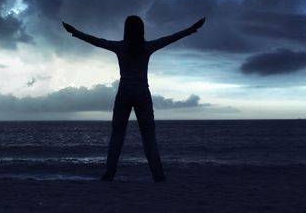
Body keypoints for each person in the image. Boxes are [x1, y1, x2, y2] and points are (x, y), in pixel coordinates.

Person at [62, 16, 205, 182]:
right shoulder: (147, 47)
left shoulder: (120, 47)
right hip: (142, 92)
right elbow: (170, 38)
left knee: (117, 136)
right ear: (142, 30)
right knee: (149, 138)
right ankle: (158, 176)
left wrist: (75, 32)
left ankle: (109, 174)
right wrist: (192, 28)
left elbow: (97, 42)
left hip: (124, 92)